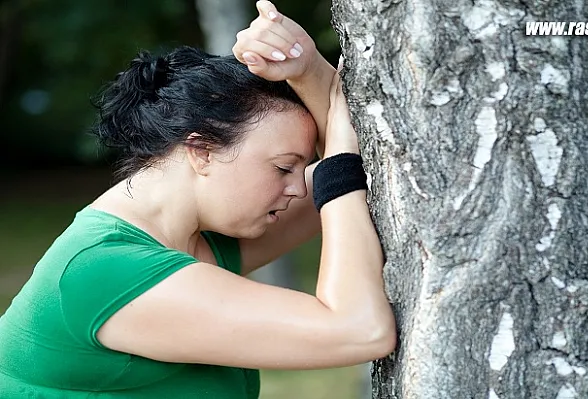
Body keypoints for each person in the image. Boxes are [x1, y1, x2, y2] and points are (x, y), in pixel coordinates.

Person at [0, 1, 396, 397]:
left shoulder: (190, 236)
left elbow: (363, 167)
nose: (298, 188)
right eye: (282, 168)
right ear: (202, 151)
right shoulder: (104, 271)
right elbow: (360, 329)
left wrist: (305, 68)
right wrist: (339, 157)